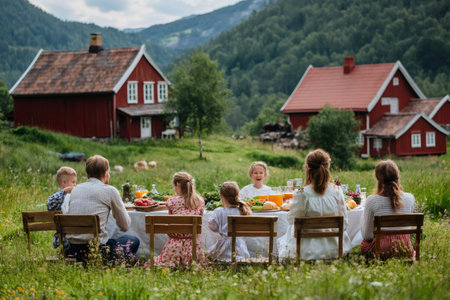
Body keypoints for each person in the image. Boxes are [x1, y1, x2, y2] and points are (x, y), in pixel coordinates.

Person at [277, 149, 351, 260]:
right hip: (334, 248)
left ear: (307, 169)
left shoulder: (301, 191)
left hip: (305, 250)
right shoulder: (337, 190)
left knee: (283, 238)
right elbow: (344, 224)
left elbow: (292, 220)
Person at [65, 155, 139, 263]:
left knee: (111, 240)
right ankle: (114, 262)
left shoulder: (75, 190)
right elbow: (125, 225)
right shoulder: (109, 190)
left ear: (88, 173)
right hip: (97, 251)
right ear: (105, 173)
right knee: (133, 240)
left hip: (73, 250)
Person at [360, 160, 415, 258]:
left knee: (364, 243)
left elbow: (367, 236)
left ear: (378, 178)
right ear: (397, 176)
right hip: (405, 248)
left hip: (381, 250)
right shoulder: (410, 198)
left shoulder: (372, 200)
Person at [150, 172, 205, 267]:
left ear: (177, 185)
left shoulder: (171, 201)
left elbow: (172, 222)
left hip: (174, 246)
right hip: (193, 246)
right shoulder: (200, 201)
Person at [208, 182, 251, 262]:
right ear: (237, 195)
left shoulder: (218, 211)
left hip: (223, 248)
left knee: (209, 253)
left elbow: (212, 226)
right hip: (240, 249)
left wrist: (220, 229)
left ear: (222, 197)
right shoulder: (242, 211)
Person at [47, 166, 77, 250]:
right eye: (73, 182)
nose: (75, 185)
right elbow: (50, 205)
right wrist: (64, 192)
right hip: (64, 239)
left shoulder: (71, 197)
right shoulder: (59, 198)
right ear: (64, 182)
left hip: (65, 238)